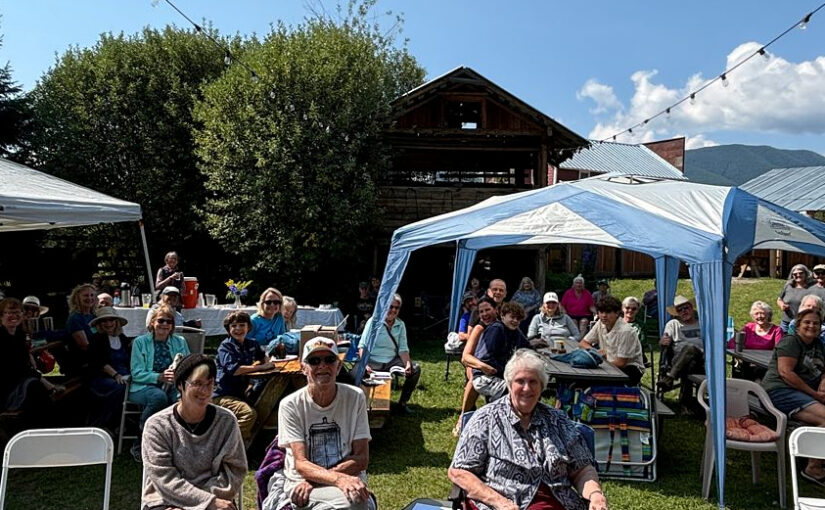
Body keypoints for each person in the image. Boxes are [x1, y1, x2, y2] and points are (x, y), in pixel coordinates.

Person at [449, 349, 608, 510]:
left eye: (533, 382)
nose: (527, 388)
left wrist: (595, 494)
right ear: (510, 384)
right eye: (520, 381)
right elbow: (459, 471)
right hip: (502, 503)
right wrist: (499, 502)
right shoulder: (486, 419)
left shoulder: (558, 420)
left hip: (558, 502)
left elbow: (582, 469)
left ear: (542, 386)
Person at [274, 336, 372, 510]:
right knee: (352, 505)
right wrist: (335, 479)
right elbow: (301, 463)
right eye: (314, 361)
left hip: (345, 475)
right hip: (302, 482)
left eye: (329, 360)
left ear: (338, 366)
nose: (322, 366)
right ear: (303, 368)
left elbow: (361, 458)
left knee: (356, 501)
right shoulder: (290, 405)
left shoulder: (355, 398)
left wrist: (326, 478)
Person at [141, 354, 247, 510]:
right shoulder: (157, 426)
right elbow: (164, 478)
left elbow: (234, 470)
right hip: (166, 499)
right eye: (197, 383)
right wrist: (203, 502)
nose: (204, 391)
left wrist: (205, 501)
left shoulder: (226, 422)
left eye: (210, 383)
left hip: (216, 498)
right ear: (180, 385)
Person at [761, 308, 825, 484]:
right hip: (780, 391)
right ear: (797, 325)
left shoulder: (819, 345)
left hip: (804, 393)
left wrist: (823, 381)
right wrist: (816, 395)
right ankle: (813, 468)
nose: (811, 326)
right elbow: (786, 373)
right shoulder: (791, 342)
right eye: (807, 322)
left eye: (816, 323)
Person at [129, 304, 191, 462]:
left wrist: (177, 374)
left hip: (173, 383)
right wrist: (159, 377)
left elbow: (188, 366)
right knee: (158, 397)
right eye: (161, 320)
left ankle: (178, 444)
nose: (165, 324)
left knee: (182, 399)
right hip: (143, 386)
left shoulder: (180, 341)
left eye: (169, 321)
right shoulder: (140, 342)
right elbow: (136, 373)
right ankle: (140, 442)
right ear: (152, 322)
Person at [213, 310, 274, 446]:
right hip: (222, 394)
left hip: (241, 392)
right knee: (248, 414)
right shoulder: (226, 346)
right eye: (234, 326)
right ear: (228, 329)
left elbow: (263, 357)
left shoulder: (251, 343)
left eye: (242, 325)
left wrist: (267, 362)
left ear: (248, 327)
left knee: (265, 404)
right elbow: (234, 370)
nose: (238, 329)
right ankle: (229, 446)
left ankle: (250, 443)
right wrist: (260, 367)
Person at [0, 298, 61, 430]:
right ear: (1, 316)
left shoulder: (19, 334)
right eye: (9, 312)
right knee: (36, 390)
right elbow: (17, 368)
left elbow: (23, 362)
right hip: (7, 388)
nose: (14, 316)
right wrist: (46, 383)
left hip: (20, 381)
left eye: (17, 312)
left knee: (42, 389)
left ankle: (48, 430)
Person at [358, 294, 421, 415]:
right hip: (373, 361)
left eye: (396, 308)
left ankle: (402, 404)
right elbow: (362, 346)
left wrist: (408, 364)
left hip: (392, 361)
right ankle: (363, 405)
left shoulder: (400, 325)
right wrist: (365, 364)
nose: (393, 310)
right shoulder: (373, 322)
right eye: (390, 307)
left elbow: (403, 349)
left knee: (415, 368)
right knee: (359, 373)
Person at [454, 297, 498, 437]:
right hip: (477, 363)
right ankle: (462, 418)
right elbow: (466, 357)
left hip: (498, 366)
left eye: (487, 310)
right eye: (481, 312)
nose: (484, 314)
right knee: (473, 380)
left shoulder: (501, 325)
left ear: (496, 310)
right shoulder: (479, 328)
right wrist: (482, 366)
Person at [580, 296, 645, 385]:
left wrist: (599, 363)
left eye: (608, 312)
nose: (604, 315)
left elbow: (621, 363)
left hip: (630, 369)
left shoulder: (626, 331)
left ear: (617, 313)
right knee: (582, 374)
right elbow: (583, 343)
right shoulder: (600, 323)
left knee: (591, 379)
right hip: (609, 364)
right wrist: (596, 352)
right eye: (601, 312)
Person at [471, 301, 529, 402]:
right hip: (484, 377)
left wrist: (537, 346)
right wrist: (508, 372)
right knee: (515, 392)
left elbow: (527, 346)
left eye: (518, 319)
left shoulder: (515, 331)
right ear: (503, 316)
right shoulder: (497, 329)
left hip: (499, 376)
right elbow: (486, 358)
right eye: (512, 317)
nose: (515, 321)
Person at [87, 306, 131, 431]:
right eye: (104, 321)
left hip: (125, 376)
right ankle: (103, 423)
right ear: (99, 324)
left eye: (111, 320)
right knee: (120, 387)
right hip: (103, 377)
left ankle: (128, 424)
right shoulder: (96, 339)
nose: (108, 323)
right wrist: (116, 375)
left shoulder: (123, 338)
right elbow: (100, 362)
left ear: (116, 322)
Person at [657, 295, 703, 393]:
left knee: (690, 352)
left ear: (692, 308)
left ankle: (670, 377)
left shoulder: (702, 324)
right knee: (689, 355)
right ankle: (693, 400)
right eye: (679, 310)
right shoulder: (673, 324)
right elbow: (665, 338)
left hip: (700, 358)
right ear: (677, 313)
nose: (683, 311)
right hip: (678, 358)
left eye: (686, 308)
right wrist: (663, 341)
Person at [64, 283, 98, 376]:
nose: (90, 298)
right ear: (77, 298)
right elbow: (85, 346)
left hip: (98, 356)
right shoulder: (75, 318)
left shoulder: (94, 315)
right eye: (86, 295)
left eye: (92, 295)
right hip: (85, 361)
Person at [777, 264, 812, 332]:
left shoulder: (811, 288)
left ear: (806, 274)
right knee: (784, 338)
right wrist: (782, 305)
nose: (798, 275)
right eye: (795, 274)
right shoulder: (788, 285)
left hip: (802, 322)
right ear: (792, 275)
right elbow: (779, 299)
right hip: (786, 322)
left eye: (801, 273)